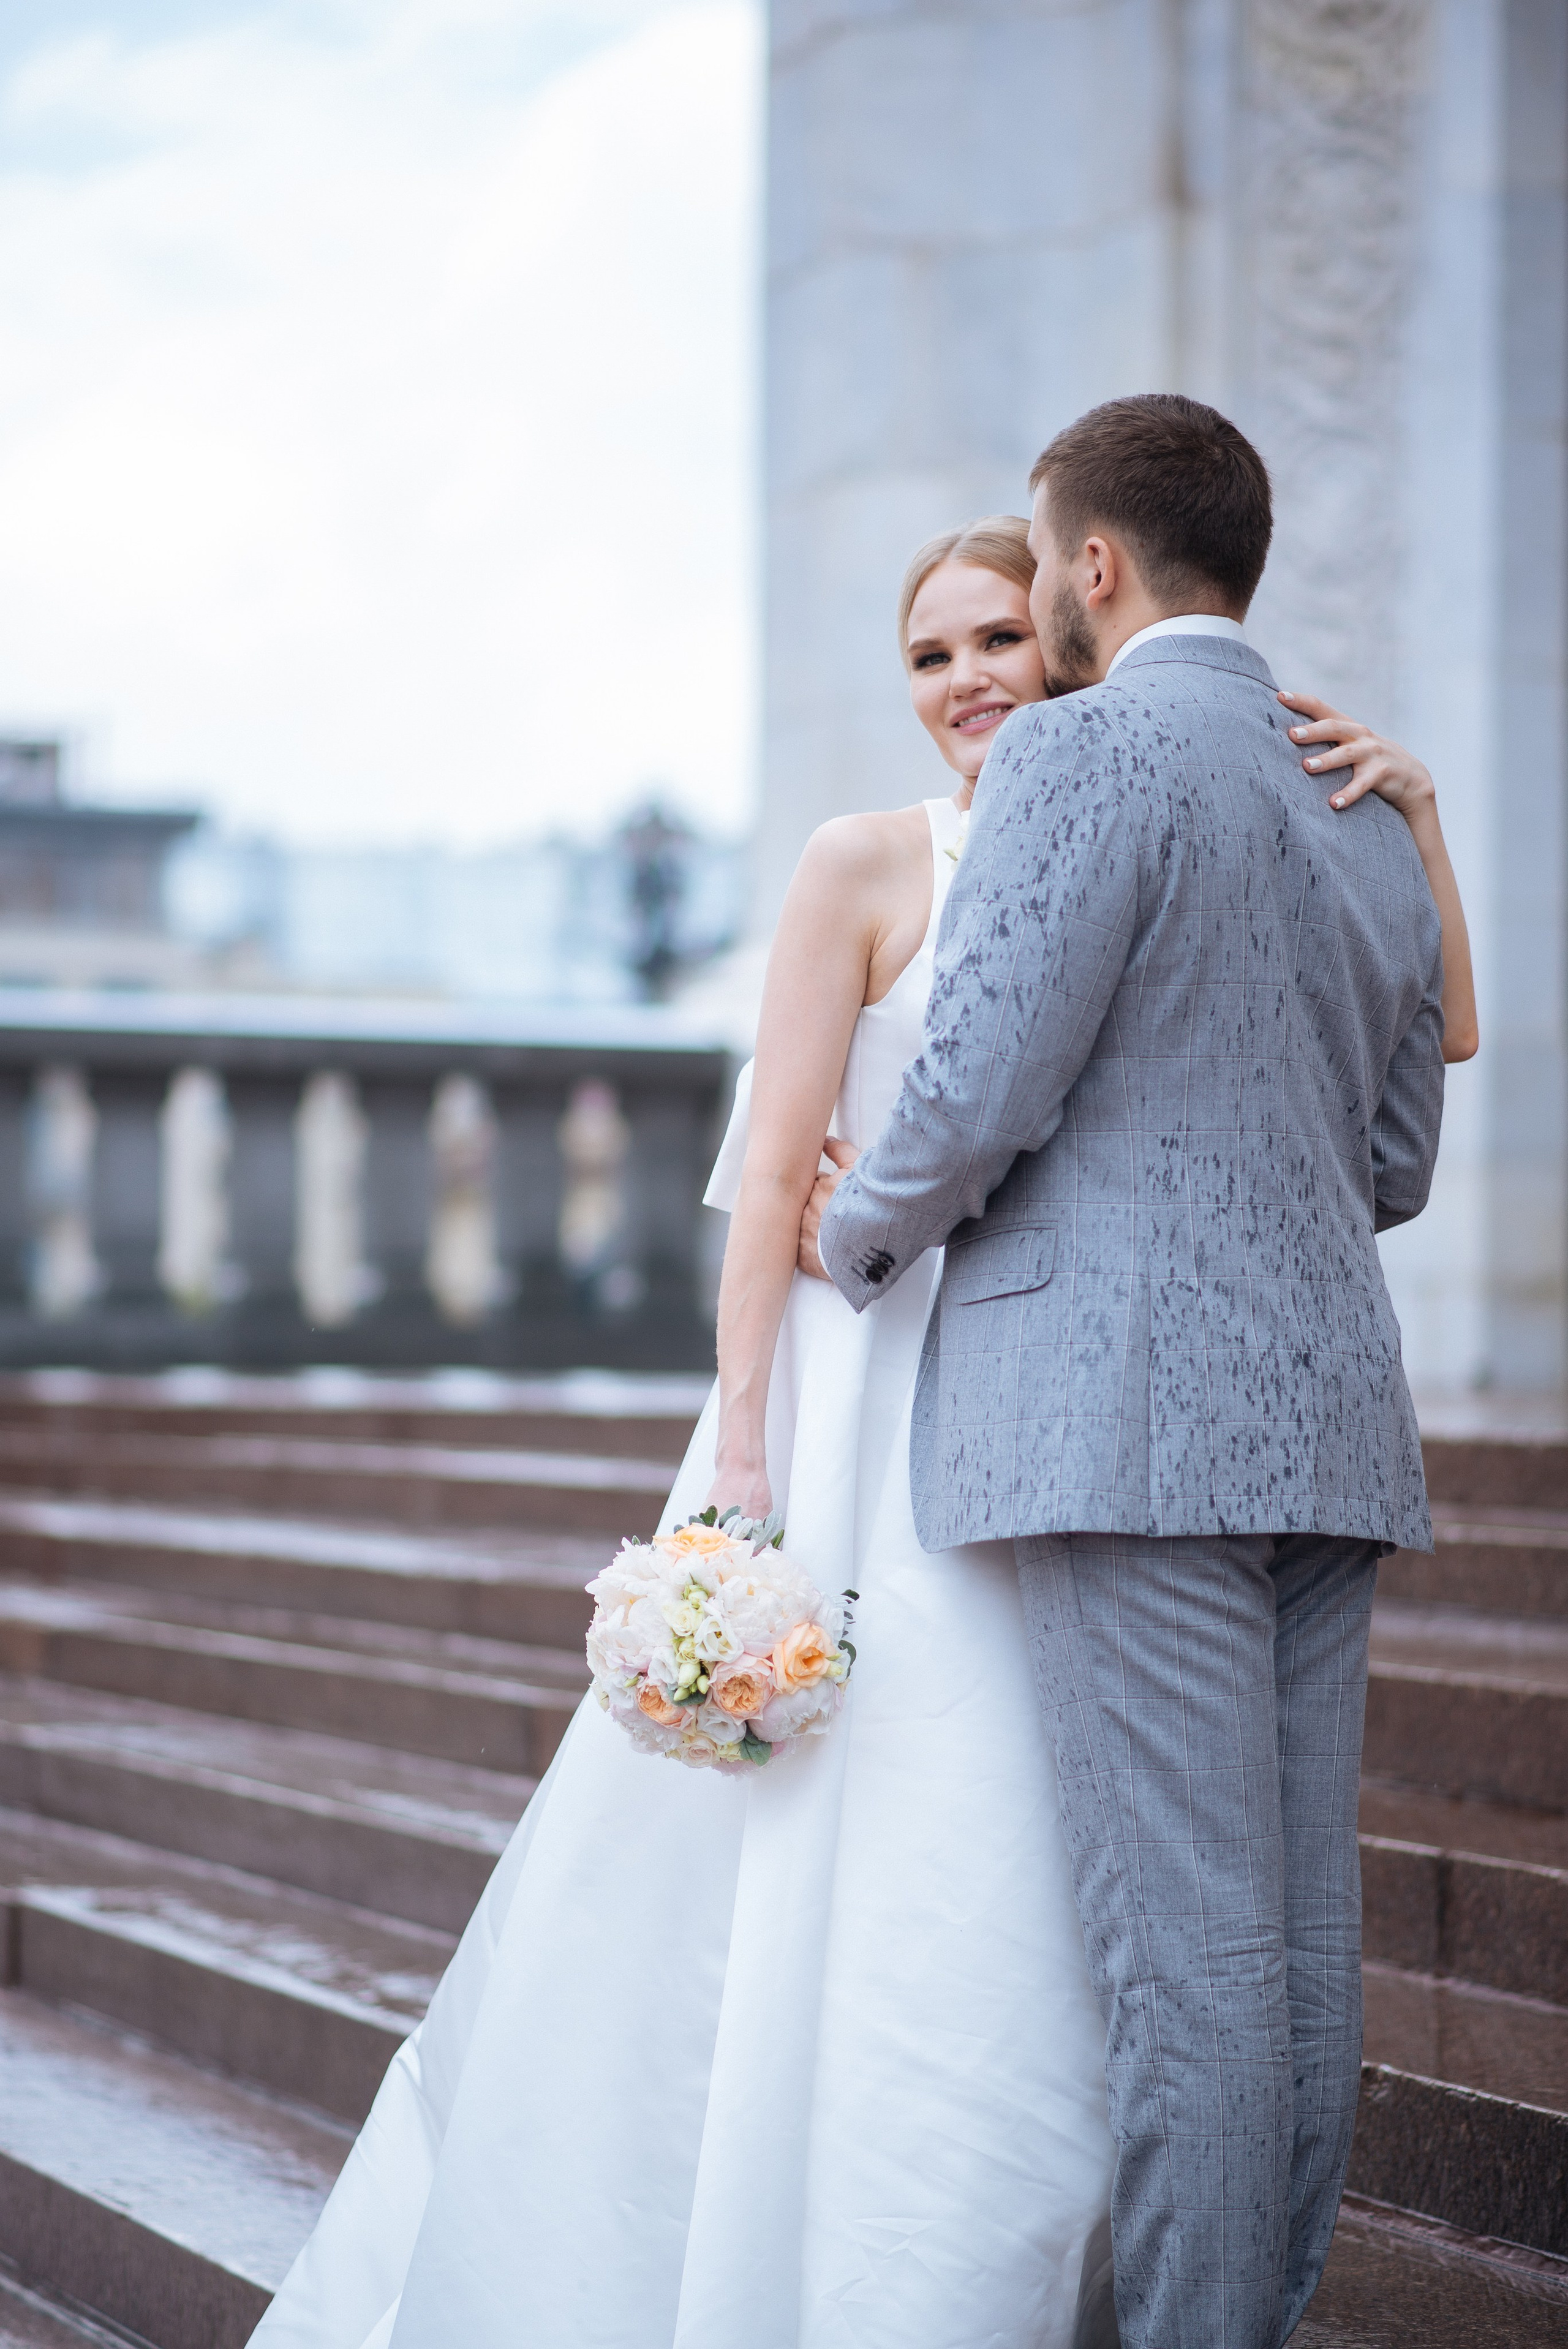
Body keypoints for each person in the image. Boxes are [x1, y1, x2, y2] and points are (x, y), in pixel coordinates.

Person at [251, 489, 1473, 2349]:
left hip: (1077, 1421)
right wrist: (744, 1438)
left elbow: (1045, 1109)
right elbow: (773, 1183)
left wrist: (1421, 818)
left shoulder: (1157, 794)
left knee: (1149, 1932)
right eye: (929, 655)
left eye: (996, 634)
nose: (970, 678)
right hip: (913, 1409)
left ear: (1076, 604)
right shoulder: (876, 857)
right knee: (1088, 1909)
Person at [801, 394, 1464, 2349]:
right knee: (1297, 1951)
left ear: (1090, 565)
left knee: (1188, 1964)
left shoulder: (1078, 756)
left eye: (1037, 571)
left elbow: (982, 1073)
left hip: (1126, 1429)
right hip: (1331, 1423)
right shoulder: (1361, 794)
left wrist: (854, 1231)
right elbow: (1400, 1164)